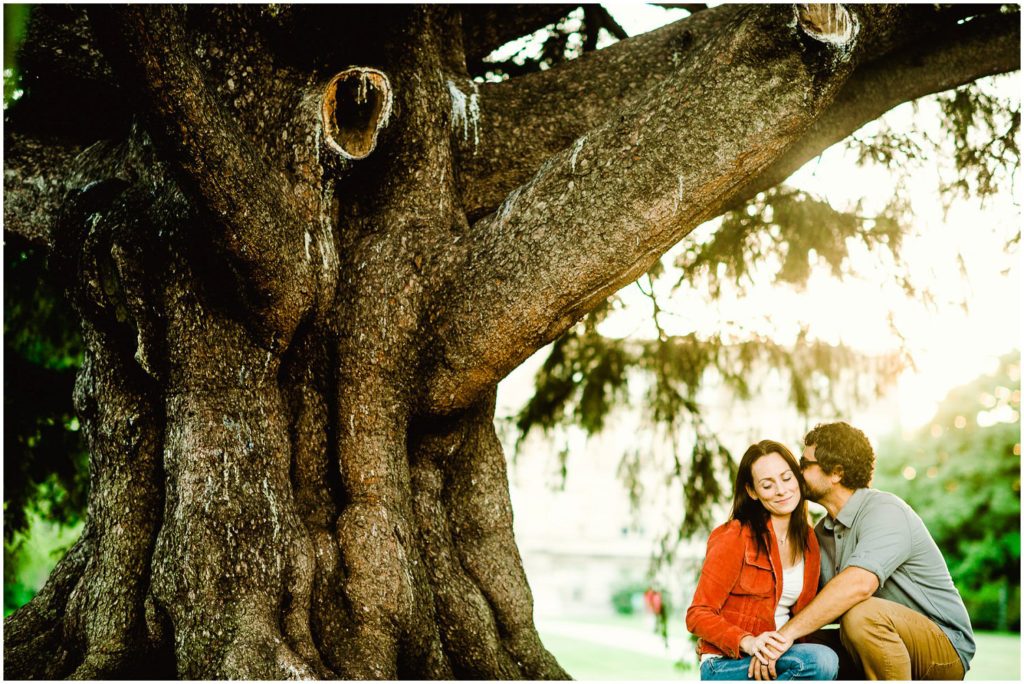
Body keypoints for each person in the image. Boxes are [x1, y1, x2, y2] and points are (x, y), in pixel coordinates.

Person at [749, 422, 975, 681]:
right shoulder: (821, 533)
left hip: (945, 647)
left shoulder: (886, 511)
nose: (796, 472)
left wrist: (784, 636)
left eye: (804, 463)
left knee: (860, 615)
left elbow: (858, 585)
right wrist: (752, 640)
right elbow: (801, 602)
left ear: (836, 473)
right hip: (877, 639)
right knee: (803, 648)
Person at [686, 440, 839, 680]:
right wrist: (749, 642)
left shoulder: (809, 541)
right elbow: (698, 614)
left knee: (839, 656)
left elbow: (812, 612)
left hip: (781, 657)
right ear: (752, 491)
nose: (781, 490)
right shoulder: (735, 535)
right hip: (727, 663)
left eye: (786, 478)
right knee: (821, 661)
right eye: (767, 485)